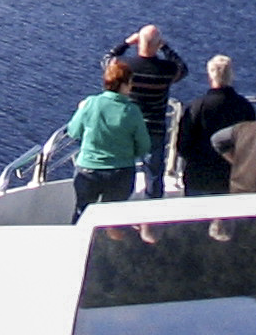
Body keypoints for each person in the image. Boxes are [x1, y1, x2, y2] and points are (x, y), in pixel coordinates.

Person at [105, 25, 189, 198]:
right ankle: (150, 215)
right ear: (157, 45)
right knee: (154, 174)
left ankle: (118, 203)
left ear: (138, 43)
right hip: (154, 129)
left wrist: (127, 43)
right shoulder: (166, 70)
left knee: (121, 168)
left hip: (126, 127)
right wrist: (165, 47)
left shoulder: (125, 67)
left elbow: (107, 59)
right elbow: (183, 68)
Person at [65, 59, 151, 223]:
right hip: (120, 173)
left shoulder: (91, 103)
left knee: (82, 212)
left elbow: (73, 131)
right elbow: (144, 146)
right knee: (112, 220)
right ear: (124, 85)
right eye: (130, 82)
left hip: (88, 170)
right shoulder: (132, 111)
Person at [177, 55, 256, 196]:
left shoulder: (196, 107)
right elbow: (251, 143)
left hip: (199, 177)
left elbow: (183, 145)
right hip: (233, 177)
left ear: (210, 76)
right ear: (231, 75)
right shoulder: (244, 107)